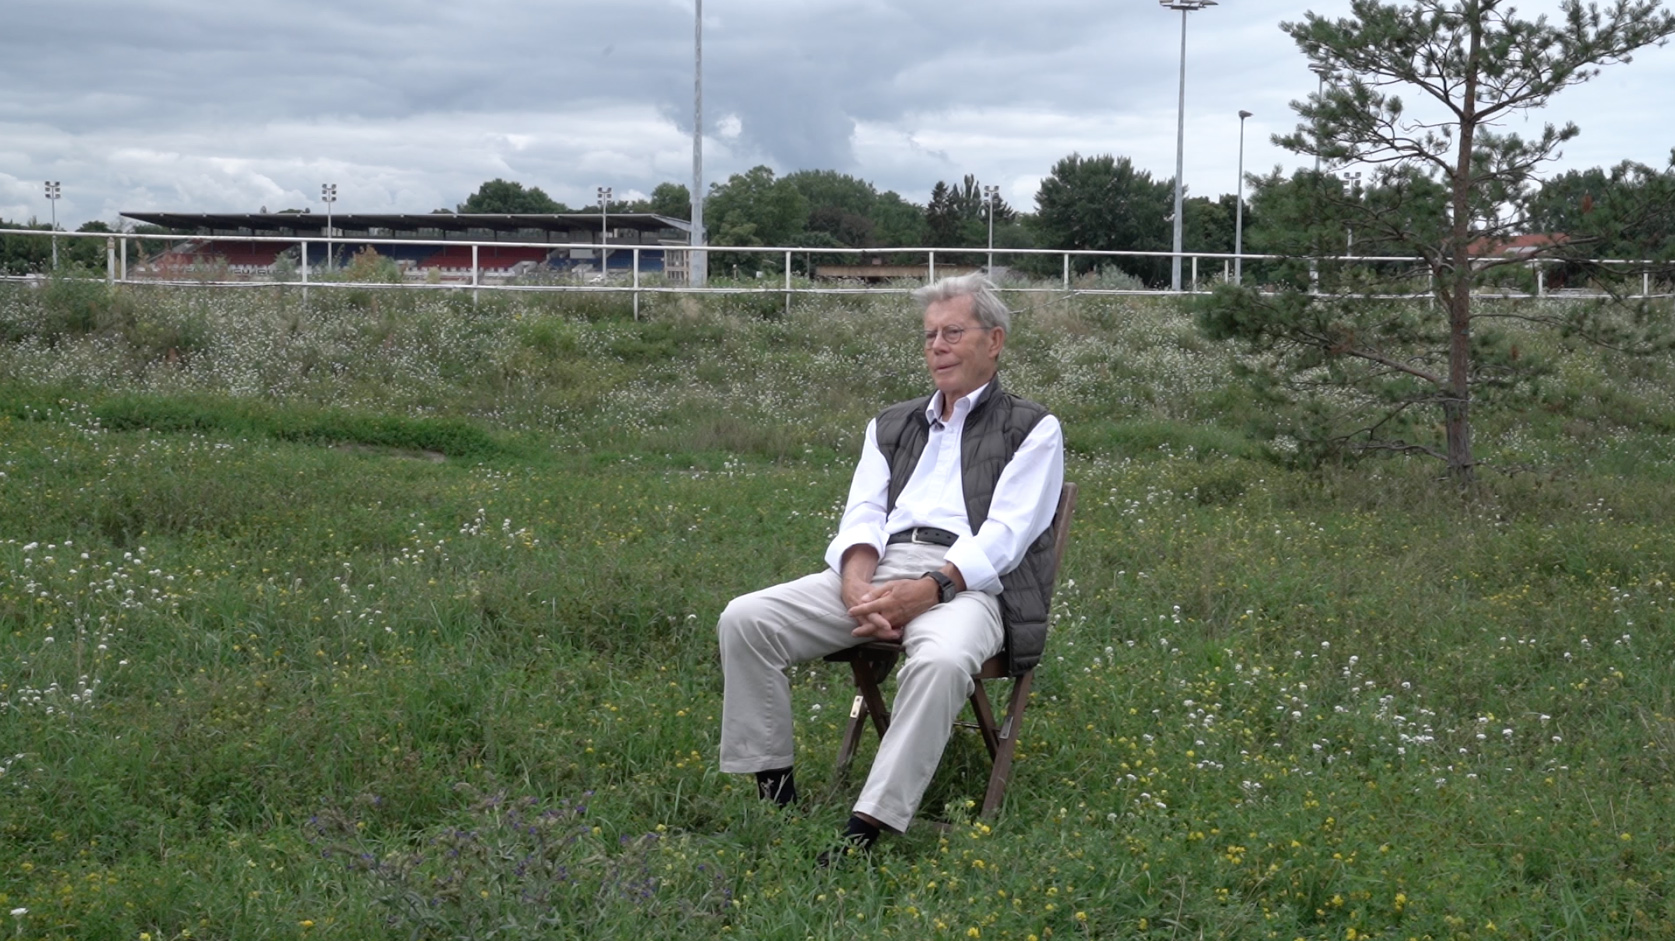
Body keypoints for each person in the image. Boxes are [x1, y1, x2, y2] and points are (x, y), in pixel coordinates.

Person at [717, 272, 1065, 858]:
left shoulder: (1032, 427)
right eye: (929, 335)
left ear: (995, 341)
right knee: (746, 619)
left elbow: (1007, 535)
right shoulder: (892, 423)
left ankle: (868, 829)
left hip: (970, 582)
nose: (937, 346)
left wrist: (929, 589)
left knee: (945, 659)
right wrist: (856, 583)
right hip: (876, 568)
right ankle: (775, 794)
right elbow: (863, 511)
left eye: (953, 332)